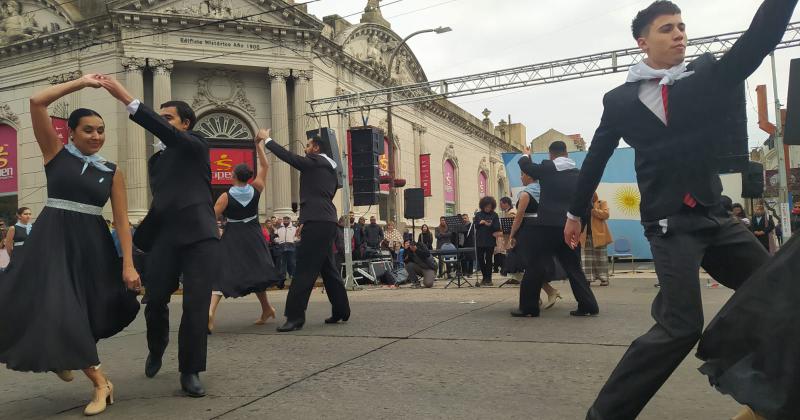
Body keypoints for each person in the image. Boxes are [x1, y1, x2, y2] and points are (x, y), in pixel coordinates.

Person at [561, 1, 796, 418]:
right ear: (643, 41)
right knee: (681, 327)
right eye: (667, 28)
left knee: (778, 293)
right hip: (670, 223)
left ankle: (770, 397)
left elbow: (756, 42)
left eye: (682, 27)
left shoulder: (705, 77)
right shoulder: (619, 101)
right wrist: (574, 214)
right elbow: (595, 158)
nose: (679, 34)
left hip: (715, 216)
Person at [0, 76, 140, 416]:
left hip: (90, 246)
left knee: (75, 311)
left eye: (101, 130)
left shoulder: (112, 171)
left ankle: (81, 367)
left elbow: (122, 221)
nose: (96, 136)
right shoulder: (55, 155)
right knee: (49, 304)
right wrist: (83, 82)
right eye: (88, 130)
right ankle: (98, 380)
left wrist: (128, 263)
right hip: (51, 242)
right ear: (72, 133)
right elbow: (36, 102)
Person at [99, 75, 220, 397]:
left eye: (168, 118)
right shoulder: (156, 161)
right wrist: (138, 240)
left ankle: (190, 370)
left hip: (199, 236)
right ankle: (156, 348)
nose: (163, 122)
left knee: (195, 305)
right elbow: (164, 202)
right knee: (155, 301)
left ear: (185, 124)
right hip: (166, 237)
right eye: (161, 117)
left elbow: (165, 131)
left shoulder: (196, 145)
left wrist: (126, 98)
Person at [264, 130, 351, 332]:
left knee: (304, 268)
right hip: (326, 220)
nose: (305, 149)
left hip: (318, 221)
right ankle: (341, 310)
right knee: (327, 267)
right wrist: (304, 220)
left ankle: (295, 317)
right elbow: (316, 195)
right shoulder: (330, 169)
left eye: (308, 145)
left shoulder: (314, 162)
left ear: (317, 148)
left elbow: (288, 157)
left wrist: (267, 140)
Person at [512, 141, 599, 319]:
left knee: (535, 265)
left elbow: (525, 166)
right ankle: (588, 305)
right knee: (574, 267)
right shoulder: (579, 174)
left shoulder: (547, 168)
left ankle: (529, 308)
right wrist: (580, 225)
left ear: (551, 155)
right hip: (570, 225)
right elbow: (587, 203)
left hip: (547, 226)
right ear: (566, 154)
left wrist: (526, 154)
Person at [208, 135, 281, 333]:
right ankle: (266, 308)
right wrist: (258, 145)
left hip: (233, 235)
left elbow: (211, 216)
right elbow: (265, 167)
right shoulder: (256, 188)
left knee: (223, 270)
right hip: (253, 234)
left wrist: (216, 233)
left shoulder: (225, 196)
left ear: (233, 176)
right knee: (257, 271)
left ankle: (211, 310)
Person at [581, 192, 613, 286]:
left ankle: (604, 279)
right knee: (586, 259)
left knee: (601, 258)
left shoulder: (601, 203)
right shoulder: (581, 205)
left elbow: (606, 215)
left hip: (599, 235)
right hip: (584, 234)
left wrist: (593, 210)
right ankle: (587, 279)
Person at [473, 197, 501, 287]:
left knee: (489, 260)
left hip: (490, 240)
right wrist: (480, 223)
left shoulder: (494, 215)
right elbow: (475, 226)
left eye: (489, 206)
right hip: (480, 240)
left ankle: (489, 279)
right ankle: (484, 277)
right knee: (480, 259)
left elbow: (497, 227)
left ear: (492, 206)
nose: (488, 208)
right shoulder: (478, 214)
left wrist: (490, 224)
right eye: (486, 206)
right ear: (483, 206)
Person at [274, 215, 298, 289]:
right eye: (284, 219)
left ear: (290, 220)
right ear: (283, 220)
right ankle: (282, 281)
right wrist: (278, 241)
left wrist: (294, 240)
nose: (286, 220)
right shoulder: (279, 228)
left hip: (291, 247)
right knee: (282, 264)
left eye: (287, 219)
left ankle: (295, 279)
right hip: (281, 247)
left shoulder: (294, 228)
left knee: (292, 263)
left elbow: (298, 236)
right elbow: (275, 236)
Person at [494, 197, 515, 274]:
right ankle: (514, 276)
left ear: (506, 204)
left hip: (512, 240)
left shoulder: (511, 213)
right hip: (509, 239)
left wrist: (499, 234)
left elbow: (511, 229)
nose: (500, 206)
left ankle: (515, 277)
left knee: (513, 258)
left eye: (501, 204)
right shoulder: (508, 212)